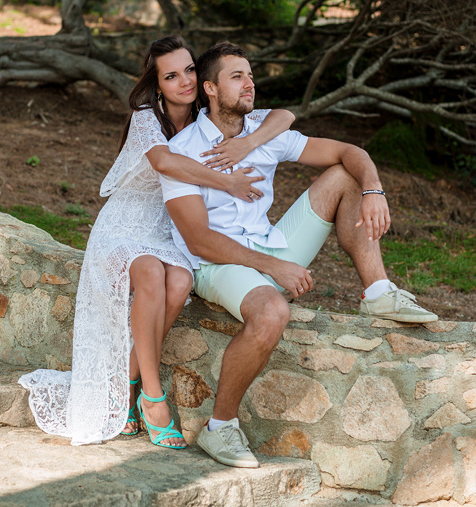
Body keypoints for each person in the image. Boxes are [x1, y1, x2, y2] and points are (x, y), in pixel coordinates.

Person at [160, 41, 439, 468]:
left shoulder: (261, 133)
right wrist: (276, 267)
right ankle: (221, 428)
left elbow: (350, 152)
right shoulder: (183, 150)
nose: (250, 83)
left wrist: (372, 189)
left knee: (344, 176)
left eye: (251, 75)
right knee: (272, 312)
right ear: (211, 88)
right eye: (238, 76)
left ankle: (379, 291)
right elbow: (198, 240)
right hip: (216, 264)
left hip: (268, 244)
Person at [18, 35, 294, 449]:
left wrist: (247, 143)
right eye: (171, 75)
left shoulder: (208, 113)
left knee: (180, 283)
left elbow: (284, 116)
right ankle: (151, 397)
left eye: (188, 70)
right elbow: (165, 162)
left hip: (169, 230)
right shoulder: (147, 115)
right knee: (149, 273)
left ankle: (127, 386)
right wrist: (227, 181)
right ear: (158, 83)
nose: (183, 80)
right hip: (125, 227)